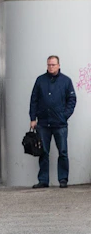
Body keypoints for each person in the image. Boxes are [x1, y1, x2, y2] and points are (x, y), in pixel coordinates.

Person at [29, 55, 77, 188]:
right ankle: (43, 180)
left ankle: (63, 179)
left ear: (59, 65)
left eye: (53, 65)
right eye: (49, 65)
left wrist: (64, 115)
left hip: (59, 123)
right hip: (43, 123)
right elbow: (34, 100)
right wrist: (33, 118)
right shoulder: (40, 80)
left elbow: (72, 100)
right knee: (43, 152)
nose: (51, 67)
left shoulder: (66, 81)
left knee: (62, 152)